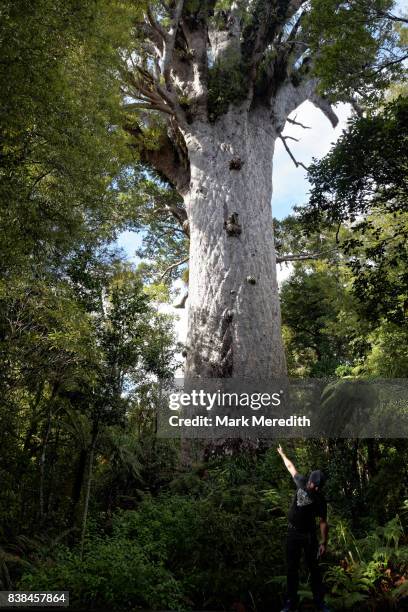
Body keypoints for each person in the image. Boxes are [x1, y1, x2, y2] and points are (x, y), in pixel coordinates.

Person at [277, 445, 330, 612]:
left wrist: (324, 542)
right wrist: (282, 454)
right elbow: (290, 467)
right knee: (291, 568)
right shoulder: (300, 481)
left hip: (309, 537)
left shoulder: (320, 499)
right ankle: (291, 602)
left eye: (318, 487)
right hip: (293, 533)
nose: (315, 488)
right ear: (310, 480)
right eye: (315, 485)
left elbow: (323, 522)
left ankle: (319, 602)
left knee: (314, 569)